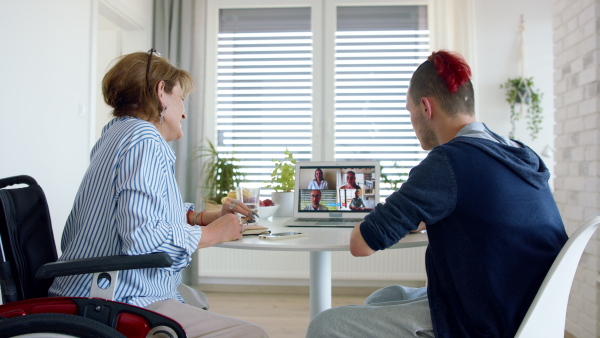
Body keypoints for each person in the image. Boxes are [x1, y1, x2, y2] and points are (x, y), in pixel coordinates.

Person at [306, 50, 568, 337]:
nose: (412, 123)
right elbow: (474, 209)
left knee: (325, 324)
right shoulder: (516, 152)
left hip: (482, 321)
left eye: (409, 112)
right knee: (384, 297)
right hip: (524, 309)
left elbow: (361, 244)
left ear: (426, 108)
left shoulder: (449, 161)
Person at [48, 50, 268, 337]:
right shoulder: (145, 140)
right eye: (182, 99)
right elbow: (143, 238)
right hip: (113, 298)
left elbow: (135, 213)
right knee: (253, 333)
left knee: (194, 298)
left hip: (79, 287)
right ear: (161, 92)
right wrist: (215, 233)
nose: (185, 113)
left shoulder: (115, 132)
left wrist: (201, 217)